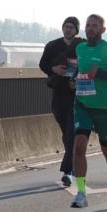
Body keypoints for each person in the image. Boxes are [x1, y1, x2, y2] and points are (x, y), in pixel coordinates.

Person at [70, 14, 107, 209]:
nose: (90, 28)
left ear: (103, 30)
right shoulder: (80, 48)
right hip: (82, 104)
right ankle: (81, 193)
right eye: (88, 25)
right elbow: (80, 69)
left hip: (103, 107)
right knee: (78, 147)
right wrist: (74, 77)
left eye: (95, 26)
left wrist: (103, 74)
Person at [39, 16, 82, 187]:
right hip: (58, 95)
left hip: (77, 95)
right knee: (66, 133)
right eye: (66, 26)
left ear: (76, 30)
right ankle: (72, 161)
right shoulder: (52, 46)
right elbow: (43, 65)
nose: (68, 29)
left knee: (72, 133)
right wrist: (53, 69)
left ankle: (67, 171)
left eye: (72, 27)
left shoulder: (82, 45)